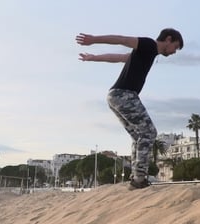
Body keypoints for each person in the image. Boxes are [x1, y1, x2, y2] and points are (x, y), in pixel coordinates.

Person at [76, 28, 184, 190]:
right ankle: (140, 178)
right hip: (124, 95)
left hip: (114, 96)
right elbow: (122, 39)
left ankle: (135, 177)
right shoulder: (148, 44)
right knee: (149, 132)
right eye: (175, 47)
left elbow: (118, 58)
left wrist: (93, 58)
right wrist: (94, 40)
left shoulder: (146, 54)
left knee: (137, 135)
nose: (174, 52)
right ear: (168, 39)